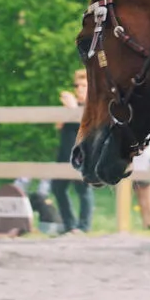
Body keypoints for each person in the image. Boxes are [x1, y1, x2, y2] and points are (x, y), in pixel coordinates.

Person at [52, 69, 94, 234]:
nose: (79, 89)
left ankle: (83, 226)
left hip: (83, 153)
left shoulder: (93, 105)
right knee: (58, 187)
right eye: (77, 85)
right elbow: (58, 125)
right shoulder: (71, 106)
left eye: (83, 85)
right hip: (64, 153)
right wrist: (69, 109)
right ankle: (69, 225)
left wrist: (75, 108)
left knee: (83, 189)